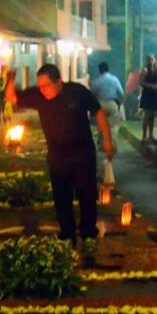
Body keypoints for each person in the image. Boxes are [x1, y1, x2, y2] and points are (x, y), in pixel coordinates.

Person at [16, 64, 115, 251]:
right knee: (62, 197)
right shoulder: (39, 95)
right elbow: (13, 97)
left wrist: (108, 140)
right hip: (57, 156)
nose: (43, 90)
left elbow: (99, 112)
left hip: (83, 153)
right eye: (40, 86)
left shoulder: (77, 92)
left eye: (46, 86)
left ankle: (88, 231)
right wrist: (10, 77)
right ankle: (67, 233)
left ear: (59, 82)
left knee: (87, 194)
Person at [138, 55, 157, 143]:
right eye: (149, 59)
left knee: (152, 116)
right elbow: (141, 82)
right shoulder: (145, 70)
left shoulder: (156, 71)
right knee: (147, 115)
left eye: (152, 59)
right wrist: (150, 86)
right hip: (147, 94)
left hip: (154, 94)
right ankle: (144, 135)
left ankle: (151, 135)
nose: (151, 61)